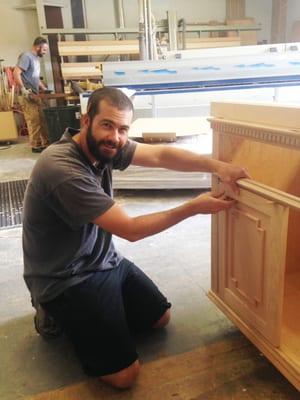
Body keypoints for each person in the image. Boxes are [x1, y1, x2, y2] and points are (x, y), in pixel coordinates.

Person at [22, 87, 249, 389]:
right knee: (124, 376)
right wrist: (194, 207)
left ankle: (98, 320)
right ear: (86, 120)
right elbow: (130, 230)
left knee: (160, 318)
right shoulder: (61, 168)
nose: (115, 137)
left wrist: (217, 166)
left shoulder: (108, 146)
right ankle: (53, 316)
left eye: (123, 129)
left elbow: (159, 154)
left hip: (103, 260)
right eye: (107, 125)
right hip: (66, 278)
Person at [14, 36, 49, 153]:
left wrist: (44, 88)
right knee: (33, 119)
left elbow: (35, 78)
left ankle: (46, 143)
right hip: (27, 94)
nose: (45, 52)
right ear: (38, 47)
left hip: (35, 94)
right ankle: (35, 145)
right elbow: (16, 72)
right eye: (44, 50)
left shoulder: (36, 59)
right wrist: (23, 89)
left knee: (42, 118)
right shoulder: (26, 56)